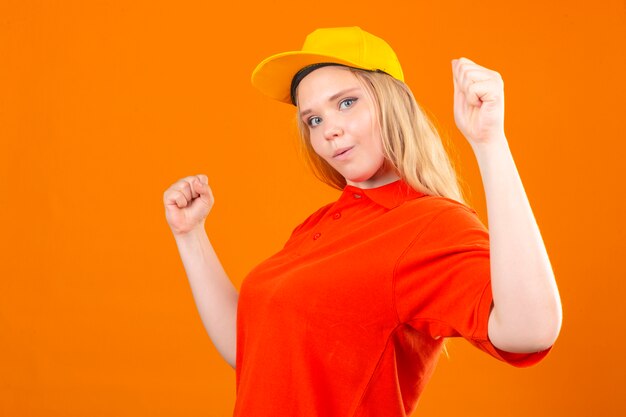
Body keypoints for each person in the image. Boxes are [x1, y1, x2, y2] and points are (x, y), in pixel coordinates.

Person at [163, 26, 562, 416]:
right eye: (313, 120)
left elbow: (531, 329)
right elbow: (252, 351)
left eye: (347, 102)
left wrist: (490, 143)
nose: (330, 130)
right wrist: (190, 235)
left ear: (392, 102)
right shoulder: (320, 225)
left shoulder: (429, 222)